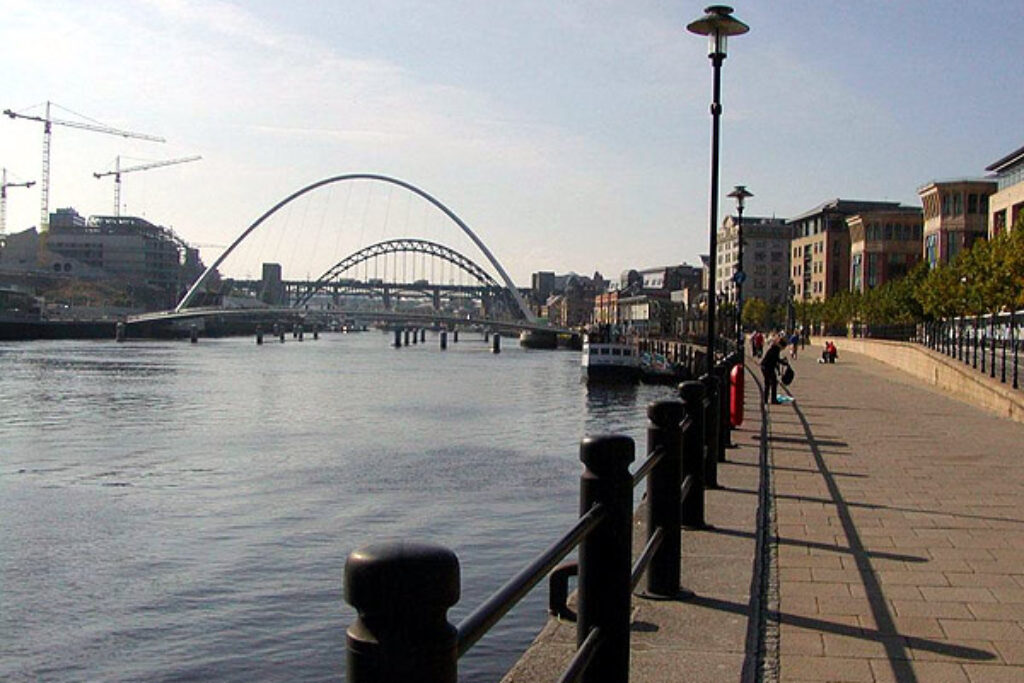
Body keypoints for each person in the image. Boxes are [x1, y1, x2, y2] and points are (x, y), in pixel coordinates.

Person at [760, 334, 789, 405]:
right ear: (781, 345)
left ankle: (766, 400)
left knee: (769, 383)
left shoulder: (775, 348)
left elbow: (775, 361)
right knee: (773, 382)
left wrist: (779, 369)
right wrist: (783, 362)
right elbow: (776, 359)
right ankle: (772, 399)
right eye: (783, 347)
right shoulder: (776, 349)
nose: (783, 349)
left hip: (766, 366)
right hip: (767, 367)